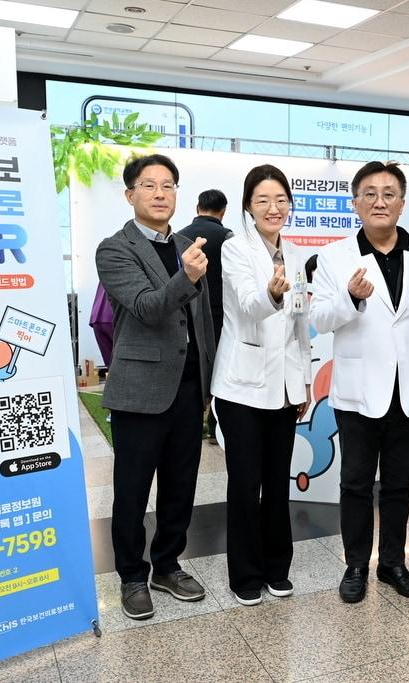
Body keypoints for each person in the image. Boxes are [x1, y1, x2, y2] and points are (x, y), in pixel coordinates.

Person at [310, 161, 409, 603]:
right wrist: (350, 298)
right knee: (355, 483)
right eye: (369, 194)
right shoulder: (335, 256)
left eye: (389, 193)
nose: (379, 201)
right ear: (355, 203)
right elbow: (320, 318)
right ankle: (355, 565)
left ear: (402, 203)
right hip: (358, 389)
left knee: (399, 485)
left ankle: (393, 563)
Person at [95, 153, 216, 620]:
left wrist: (208, 383)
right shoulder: (115, 249)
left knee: (180, 486)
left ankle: (167, 565)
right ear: (131, 195)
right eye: (149, 185)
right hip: (140, 388)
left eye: (168, 185)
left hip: (188, 387)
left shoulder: (187, 244)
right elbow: (147, 307)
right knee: (132, 489)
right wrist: (187, 276)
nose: (160, 193)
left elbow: (202, 320)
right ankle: (131, 575)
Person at [211, 165, 311, 607]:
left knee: (276, 481)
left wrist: (304, 381)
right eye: (263, 200)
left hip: (284, 387)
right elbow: (250, 305)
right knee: (244, 482)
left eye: (281, 200)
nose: (274, 208)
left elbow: (301, 323)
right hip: (242, 387)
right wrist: (272, 293)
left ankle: (277, 567)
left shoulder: (295, 253)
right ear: (249, 206)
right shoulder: (235, 249)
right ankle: (245, 573)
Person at [179, 189, 232, 444]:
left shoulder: (179, 237)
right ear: (223, 211)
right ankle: (215, 427)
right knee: (219, 368)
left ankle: (191, 423)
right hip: (220, 314)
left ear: (197, 207)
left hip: (187, 313)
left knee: (193, 367)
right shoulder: (228, 238)